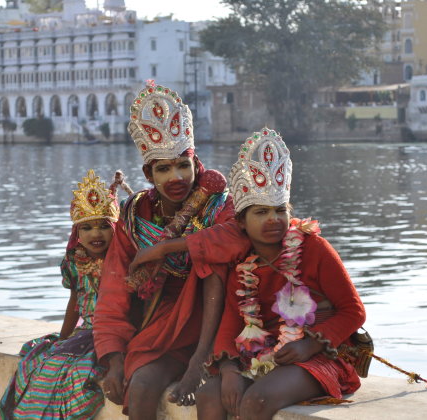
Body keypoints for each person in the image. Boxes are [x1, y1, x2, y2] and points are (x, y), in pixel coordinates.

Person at [129, 128, 366, 420]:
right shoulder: (241, 260)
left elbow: (353, 311)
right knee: (210, 395)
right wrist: (228, 369)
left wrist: (310, 345)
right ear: (241, 222)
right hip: (258, 356)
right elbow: (230, 322)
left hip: (317, 356)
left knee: (256, 400)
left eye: (280, 211)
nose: (273, 220)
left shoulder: (313, 248)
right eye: (261, 212)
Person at [92, 81, 235, 419]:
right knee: (140, 386)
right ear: (148, 173)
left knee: (210, 263)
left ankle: (201, 362)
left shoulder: (219, 205)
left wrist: (166, 248)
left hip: (219, 323)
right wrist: (113, 358)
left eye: (183, 165)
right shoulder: (135, 214)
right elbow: (113, 294)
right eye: (164, 168)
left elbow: (235, 241)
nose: (176, 177)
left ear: (195, 163)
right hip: (164, 328)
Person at [0, 169, 126, 420]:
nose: (95, 234)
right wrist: (64, 338)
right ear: (78, 233)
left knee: (76, 371)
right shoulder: (75, 261)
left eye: (103, 226)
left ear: (115, 230)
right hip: (84, 332)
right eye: (86, 228)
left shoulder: (124, 263)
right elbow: (75, 304)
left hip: (114, 334)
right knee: (42, 362)